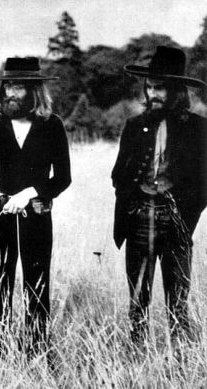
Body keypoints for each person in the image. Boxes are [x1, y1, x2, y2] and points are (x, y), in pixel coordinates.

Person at [112, 46, 207, 345]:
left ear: (177, 90)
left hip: (176, 220)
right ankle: (136, 354)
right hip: (139, 217)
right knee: (137, 300)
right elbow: (118, 174)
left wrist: (183, 215)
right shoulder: (134, 125)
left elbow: (204, 183)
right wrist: (133, 201)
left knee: (178, 299)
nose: (153, 93)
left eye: (161, 88)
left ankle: (182, 360)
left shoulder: (198, 128)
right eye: (150, 87)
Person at [0, 57, 71, 355]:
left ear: (34, 90)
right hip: (2, 218)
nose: (9, 93)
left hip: (37, 219)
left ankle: (37, 352)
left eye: (17, 86)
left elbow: (63, 178)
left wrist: (31, 192)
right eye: (7, 85)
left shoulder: (51, 125)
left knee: (37, 287)